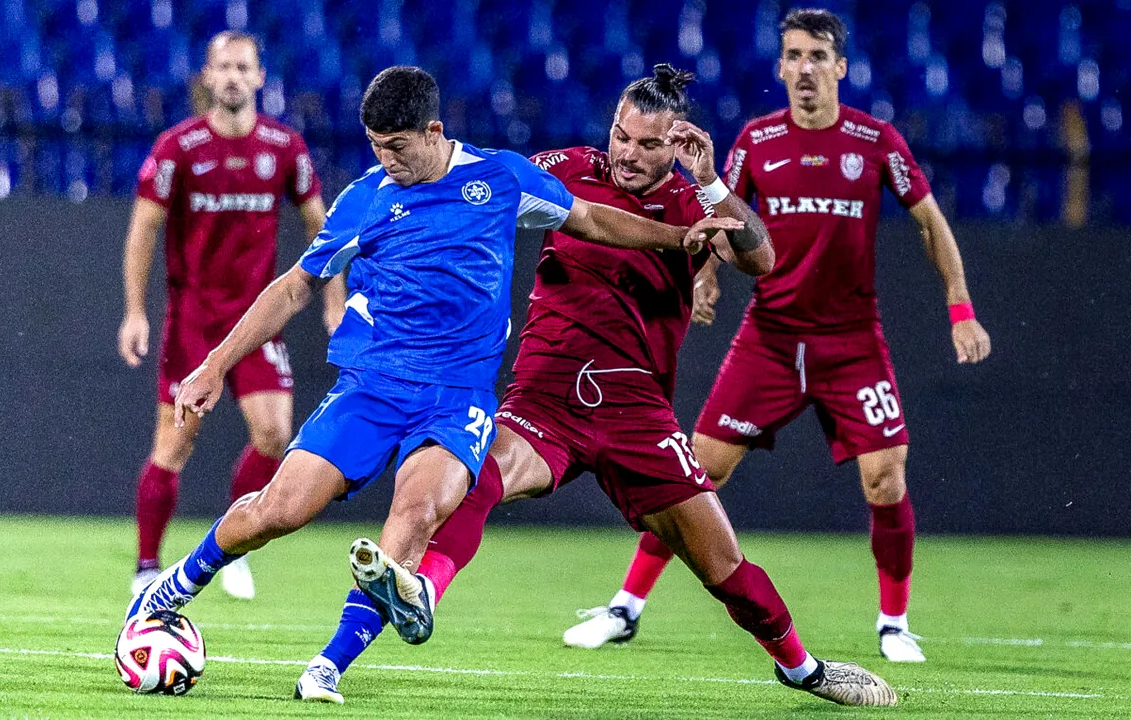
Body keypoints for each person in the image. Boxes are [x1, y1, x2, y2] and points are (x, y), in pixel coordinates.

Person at [293, 65, 897, 708]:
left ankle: (801, 668)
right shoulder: (565, 167)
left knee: (722, 565)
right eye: (620, 135)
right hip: (546, 393)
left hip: (638, 411)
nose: (627, 153)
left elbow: (761, 258)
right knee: (475, 476)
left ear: (677, 145)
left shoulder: (697, 202)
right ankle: (418, 595)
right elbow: (472, 184)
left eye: (646, 144)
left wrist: (713, 181)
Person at [125, 63, 739, 663]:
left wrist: (674, 238)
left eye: (396, 147)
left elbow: (590, 218)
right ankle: (175, 585)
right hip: (371, 388)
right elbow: (293, 287)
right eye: (375, 147)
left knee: (416, 516)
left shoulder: (498, 179)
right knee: (279, 510)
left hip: (456, 399)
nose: (386, 159)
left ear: (433, 133)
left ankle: (331, 664)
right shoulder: (366, 198)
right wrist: (213, 365)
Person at [563, 8, 992, 664]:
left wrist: (960, 309)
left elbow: (931, 221)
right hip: (769, 336)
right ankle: (626, 607)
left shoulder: (875, 141)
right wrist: (703, 276)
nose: (804, 68)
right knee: (695, 472)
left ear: (840, 67)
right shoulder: (758, 141)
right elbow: (718, 212)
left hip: (851, 343)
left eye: (817, 56)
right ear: (781, 66)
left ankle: (894, 622)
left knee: (886, 477)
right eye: (792, 56)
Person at [119, 31, 345, 600]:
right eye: (224, 67)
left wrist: (334, 299)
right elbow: (144, 227)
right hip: (193, 320)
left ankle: (229, 543)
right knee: (175, 443)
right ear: (207, 76)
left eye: (244, 67)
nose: (234, 77)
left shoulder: (285, 148)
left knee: (274, 434)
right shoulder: (179, 147)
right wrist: (134, 311)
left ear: (260, 77)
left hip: (255, 322)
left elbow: (322, 227)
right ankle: (147, 566)